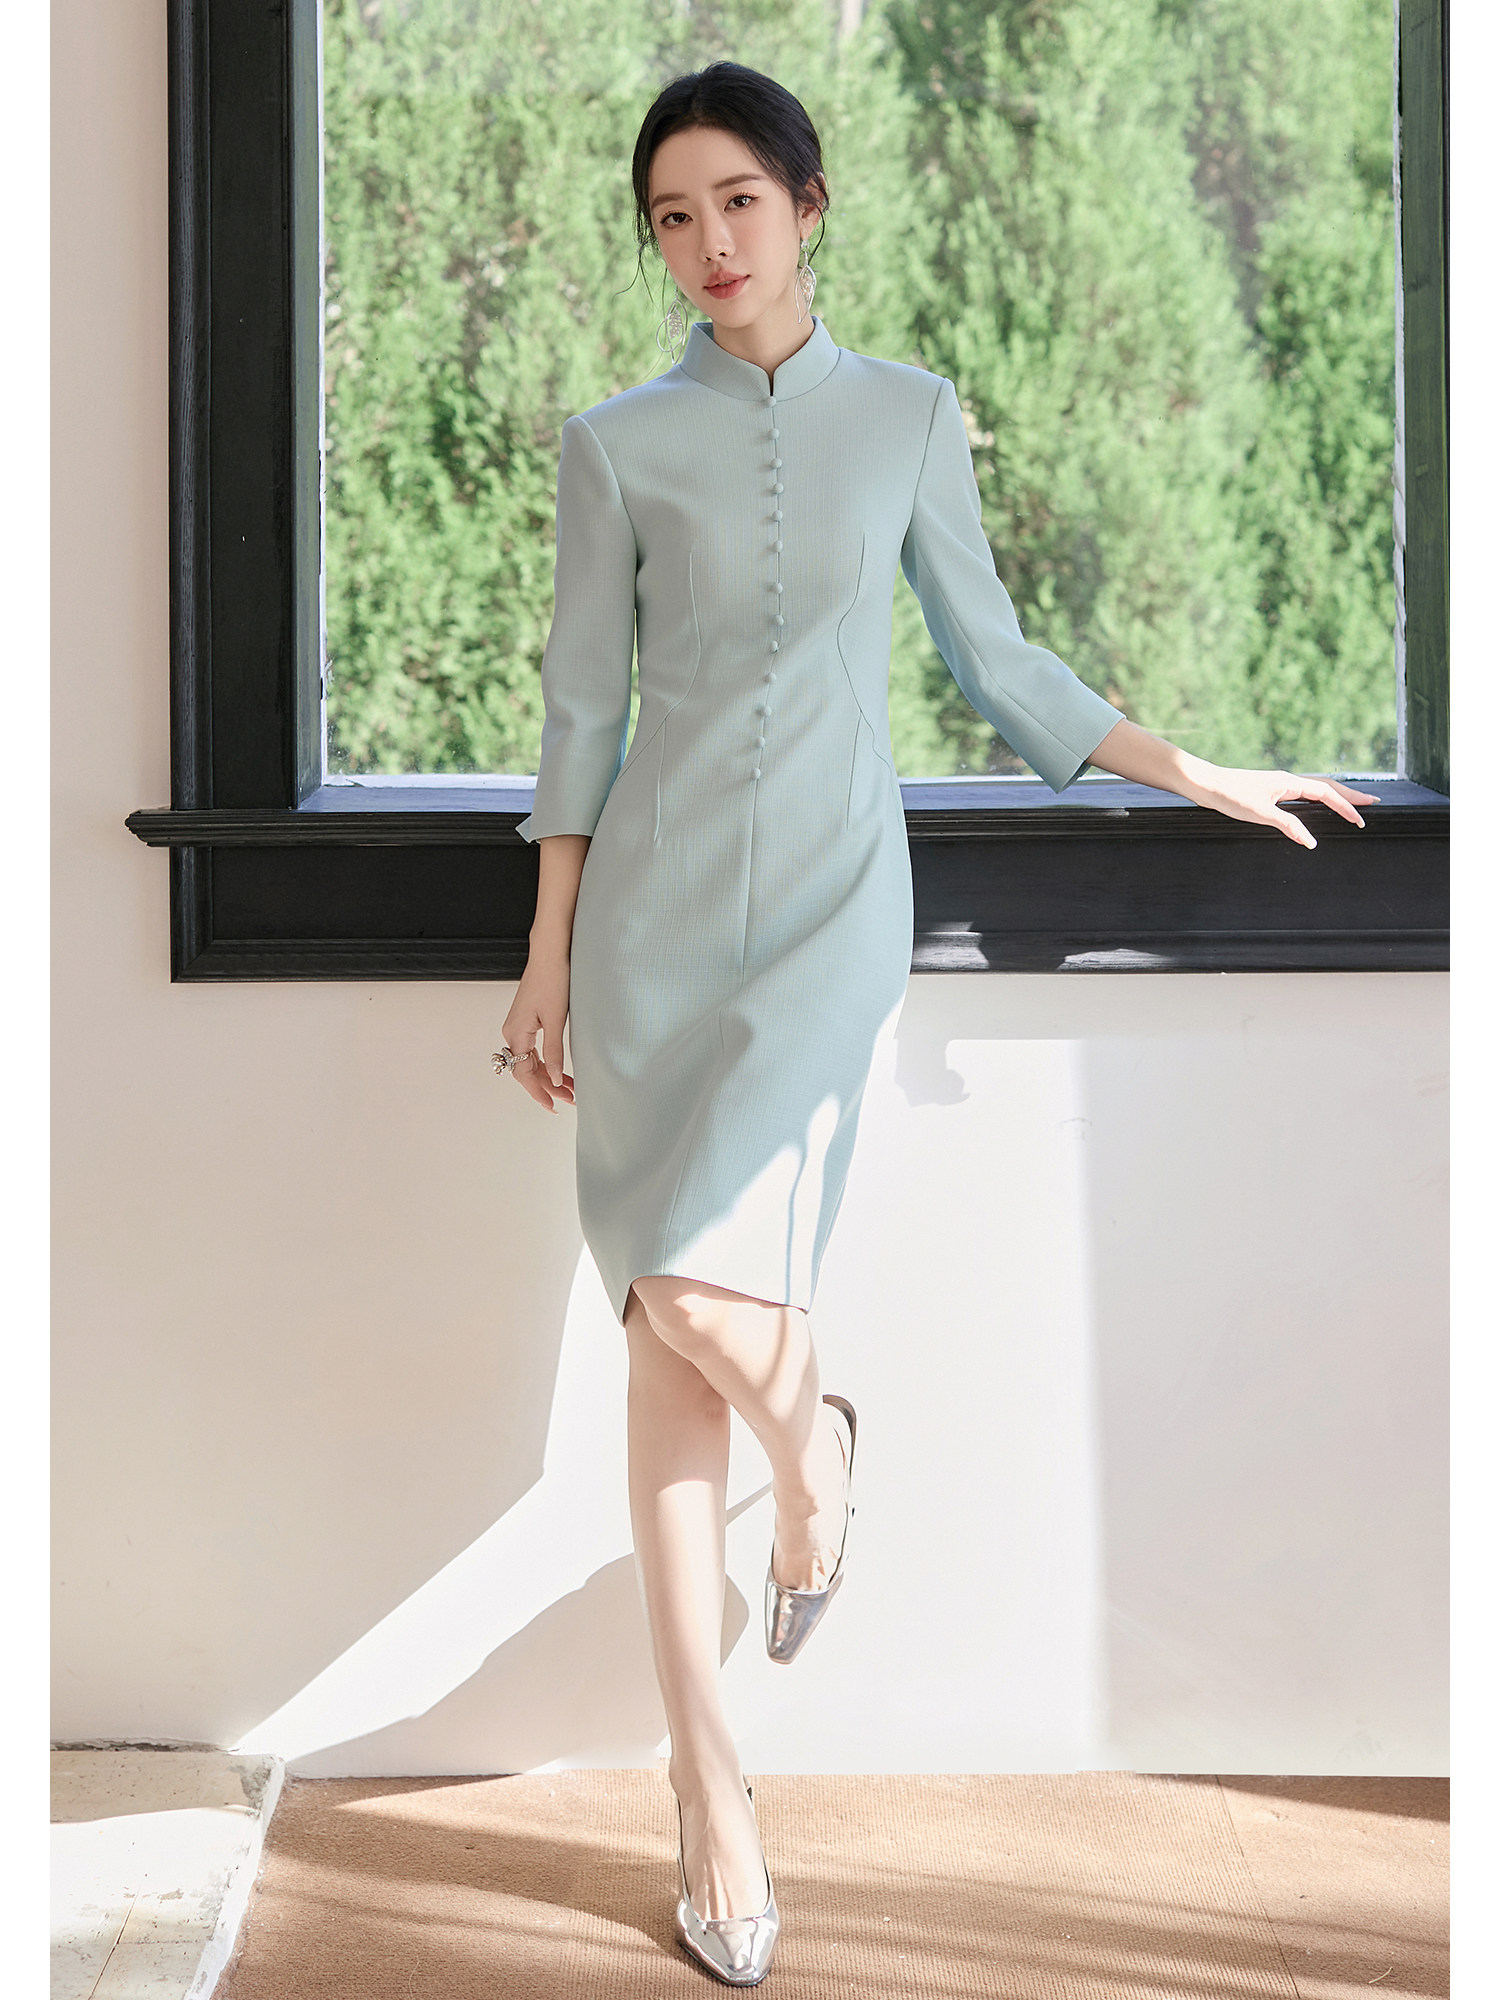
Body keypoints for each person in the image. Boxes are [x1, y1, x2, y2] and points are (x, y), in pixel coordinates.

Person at [496, 61, 1376, 1988]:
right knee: (665, 1343)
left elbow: (999, 655)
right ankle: (710, 1796)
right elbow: (580, 708)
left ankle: (815, 1470)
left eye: (738, 202)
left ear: (809, 203)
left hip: (830, 913)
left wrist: (1197, 768)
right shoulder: (615, 445)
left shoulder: (906, 415)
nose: (709, 245)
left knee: (703, 1300)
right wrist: (549, 947)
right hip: (647, 925)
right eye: (672, 218)